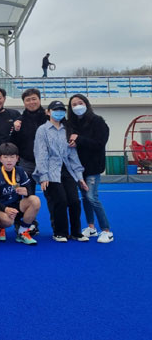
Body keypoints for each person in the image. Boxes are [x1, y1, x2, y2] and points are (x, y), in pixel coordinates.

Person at [33, 100, 89, 243]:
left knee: (75, 201)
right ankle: (60, 232)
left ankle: (76, 232)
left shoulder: (67, 129)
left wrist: (79, 176)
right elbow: (41, 154)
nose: (59, 113)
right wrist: (43, 175)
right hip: (51, 171)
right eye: (55, 110)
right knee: (60, 201)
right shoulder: (42, 130)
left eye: (61, 110)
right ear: (48, 112)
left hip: (67, 170)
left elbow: (73, 155)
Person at [67, 94, 114, 243]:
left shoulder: (98, 121)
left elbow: (99, 144)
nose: (77, 106)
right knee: (85, 198)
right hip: (78, 168)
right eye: (74, 104)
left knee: (92, 197)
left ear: (86, 104)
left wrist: (79, 139)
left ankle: (106, 230)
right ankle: (91, 227)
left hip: (93, 167)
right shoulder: (72, 123)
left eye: (80, 103)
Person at [0, 143, 41, 245]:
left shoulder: (20, 171)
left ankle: (23, 232)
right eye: (5, 157)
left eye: (12, 157)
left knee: (35, 200)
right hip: (1, 208)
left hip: (17, 206)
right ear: (0, 159)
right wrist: (5, 209)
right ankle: (0, 227)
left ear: (17, 158)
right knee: (8, 221)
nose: (9, 160)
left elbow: (29, 190)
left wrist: (27, 192)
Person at [10, 89, 47, 181]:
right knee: (27, 189)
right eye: (28, 100)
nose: (31, 102)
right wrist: (16, 131)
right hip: (27, 162)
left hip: (48, 161)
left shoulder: (50, 118)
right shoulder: (19, 121)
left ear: (39, 99)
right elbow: (13, 142)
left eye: (34, 99)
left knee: (51, 189)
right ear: (24, 103)